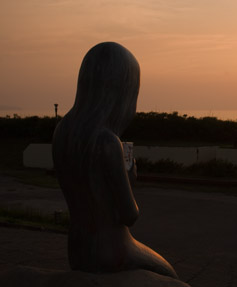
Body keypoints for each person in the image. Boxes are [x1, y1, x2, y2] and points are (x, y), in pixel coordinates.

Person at [52, 42, 177, 279]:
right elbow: (129, 215)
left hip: (78, 250)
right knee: (169, 274)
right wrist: (129, 179)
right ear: (122, 92)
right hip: (113, 250)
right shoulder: (108, 142)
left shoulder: (62, 132)